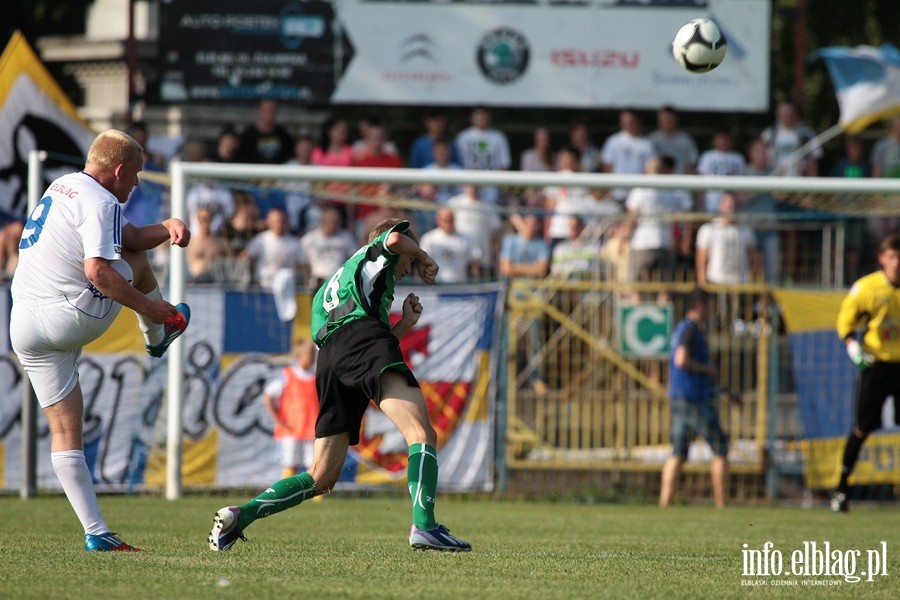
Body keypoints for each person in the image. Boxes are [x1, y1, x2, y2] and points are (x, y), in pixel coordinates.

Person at [208, 218, 471, 552]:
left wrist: (404, 323)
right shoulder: (378, 252)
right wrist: (422, 256)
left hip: (332, 358)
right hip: (360, 342)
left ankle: (239, 516)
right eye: (407, 261)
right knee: (421, 434)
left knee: (321, 476)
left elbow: (362, 346)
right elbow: (393, 242)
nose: (407, 269)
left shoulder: (338, 283)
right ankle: (425, 526)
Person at [9, 129, 191, 551]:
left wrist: (166, 226)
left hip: (24, 324)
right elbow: (98, 271)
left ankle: (97, 533)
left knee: (64, 428)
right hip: (69, 315)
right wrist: (152, 309)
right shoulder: (102, 200)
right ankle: (159, 333)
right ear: (120, 170)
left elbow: (127, 237)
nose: (137, 185)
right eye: (137, 176)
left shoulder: (65, 185)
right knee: (136, 266)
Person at [831, 234, 900, 513]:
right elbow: (845, 323)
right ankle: (841, 490)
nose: (897, 262)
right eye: (893, 256)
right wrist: (853, 349)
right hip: (876, 366)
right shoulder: (866, 288)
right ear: (882, 258)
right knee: (861, 428)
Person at [659, 290, 730, 509]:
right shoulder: (690, 330)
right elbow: (681, 360)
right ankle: (721, 505)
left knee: (678, 453)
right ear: (700, 305)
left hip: (679, 398)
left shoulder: (680, 329)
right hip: (694, 400)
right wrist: (708, 369)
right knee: (720, 448)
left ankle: (664, 504)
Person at [262, 339, 319, 479]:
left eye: (313, 355)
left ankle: (317, 499)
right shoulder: (287, 375)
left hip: (312, 430)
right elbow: (268, 396)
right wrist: (277, 419)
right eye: (309, 355)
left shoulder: (317, 377)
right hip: (290, 430)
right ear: (299, 356)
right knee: (290, 463)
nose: (311, 358)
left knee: (314, 465)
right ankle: (286, 494)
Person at [694, 193, 759, 286]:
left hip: (740, 283)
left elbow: (753, 258)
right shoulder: (708, 229)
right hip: (716, 281)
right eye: (727, 205)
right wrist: (702, 282)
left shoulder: (746, 230)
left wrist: (752, 280)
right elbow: (701, 258)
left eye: (733, 205)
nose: (730, 208)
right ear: (720, 206)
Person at [454, 106, 511, 205]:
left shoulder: (498, 137)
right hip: (468, 184)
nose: (481, 118)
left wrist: (498, 184)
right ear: (471, 117)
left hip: (491, 184)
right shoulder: (463, 137)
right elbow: (457, 163)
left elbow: (504, 164)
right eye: (478, 115)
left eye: (484, 115)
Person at [600, 110, 657, 204]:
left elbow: (651, 169)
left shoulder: (647, 144)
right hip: (617, 194)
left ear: (638, 121)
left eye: (631, 122)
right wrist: (609, 190)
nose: (628, 125)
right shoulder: (613, 141)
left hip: (639, 195)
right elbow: (607, 167)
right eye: (625, 122)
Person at [300, 206, 358, 289]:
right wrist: (307, 279)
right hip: (318, 280)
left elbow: (353, 258)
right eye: (332, 222)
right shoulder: (309, 239)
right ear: (323, 222)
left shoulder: (346, 237)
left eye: (337, 222)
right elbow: (303, 262)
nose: (335, 225)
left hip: (339, 279)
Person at [419, 207, 480, 283]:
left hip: (460, 285)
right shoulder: (429, 238)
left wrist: (475, 284)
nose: (448, 224)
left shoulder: (465, 239)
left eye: (451, 221)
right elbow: (422, 264)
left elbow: (473, 263)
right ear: (438, 221)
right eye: (446, 221)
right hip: (435, 287)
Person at [237, 99, 294, 164]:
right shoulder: (247, 136)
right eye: (266, 110)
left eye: (272, 111)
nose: (269, 113)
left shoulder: (284, 136)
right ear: (259, 111)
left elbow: (289, 159)